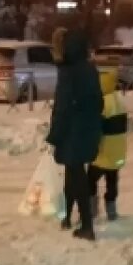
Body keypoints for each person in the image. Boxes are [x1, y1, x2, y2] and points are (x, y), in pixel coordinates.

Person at [47, 27, 103, 242]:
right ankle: (69, 217)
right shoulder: (89, 68)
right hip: (87, 127)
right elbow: (98, 101)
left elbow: (62, 107)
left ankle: (86, 225)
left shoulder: (68, 71)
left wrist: (55, 135)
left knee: (76, 175)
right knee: (74, 173)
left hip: (73, 130)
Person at [89, 67, 128, 222]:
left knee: (90, 180)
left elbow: (98, 129)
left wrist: (92, 147)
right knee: (112, 180)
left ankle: (92, 210)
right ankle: (111, 211)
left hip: (104, 151)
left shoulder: (102, 103)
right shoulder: (118, 101)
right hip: (118, 151)